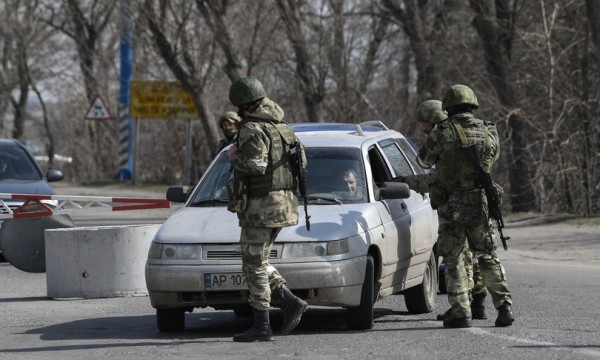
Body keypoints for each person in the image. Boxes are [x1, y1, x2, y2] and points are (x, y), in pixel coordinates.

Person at [415, 84, 514, 328]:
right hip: (480, 203)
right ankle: (504, 307)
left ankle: (461, 311)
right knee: (487, 255)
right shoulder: (489, 130)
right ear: (472, 105)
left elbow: (423, 161)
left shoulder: (442, 133)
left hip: (451, 206)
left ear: (448, 108)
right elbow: (494, 157)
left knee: (454, 258)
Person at [226, 76, 308, 342]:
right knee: (259, 260)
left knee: (253, 265)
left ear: (241, 105)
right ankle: (290, 301)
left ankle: (262, 324)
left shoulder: (252, 128)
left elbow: (256, 165)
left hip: (262, 205)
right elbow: (302, 163)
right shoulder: (282, 126)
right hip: (284, 203)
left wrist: (233, 156)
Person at [402, 100, 489, 322]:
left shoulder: (442, 137)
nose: (421, 128)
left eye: (423, 123)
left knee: (459, 256)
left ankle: (464, 305)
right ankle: (478, 302)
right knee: (475, 253)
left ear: (432, 121)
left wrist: (407, 181)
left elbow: (435, 177)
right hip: (474, 200)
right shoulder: (464, 132)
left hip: (455, 204)